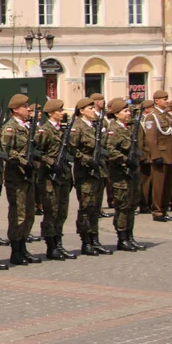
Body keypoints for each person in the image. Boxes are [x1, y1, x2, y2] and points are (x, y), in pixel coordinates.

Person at [2, 94, 41, 265]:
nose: (28, 109)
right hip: (16, 176)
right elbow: (5, 151)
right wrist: (24, 162)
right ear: (15, 109)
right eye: (25, 106)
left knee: (29, 214)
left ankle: (23, 246)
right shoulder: (9, 128)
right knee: (18, 214)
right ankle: (15, 250)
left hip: (28, 176)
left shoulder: (27, 127)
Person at [70, 97, 112, 255]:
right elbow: (72, 149)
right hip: (85, 172)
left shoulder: (96, 126)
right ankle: (85, 240)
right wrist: (87, 160)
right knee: (86, 207)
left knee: (96, 207)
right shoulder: (76, 127)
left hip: (99, 171)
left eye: (94, 109)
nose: (94, 111)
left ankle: (95, 238)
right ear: (81, 111)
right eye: (90, 109)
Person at [35, 99, 75, 261]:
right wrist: (51, 163)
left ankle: (58, 243)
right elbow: (36, 152)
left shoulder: (61, 130)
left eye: (62, 110)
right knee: (51, 212)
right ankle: (51, 246)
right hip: (50, 178)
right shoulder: (44, 131)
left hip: (63, 175)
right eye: (59, 110)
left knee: (62, 212)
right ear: (51, 113)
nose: (62, 113)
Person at [106, 98, 145, 251]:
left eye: (128, 111)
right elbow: (110, 150)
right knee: (123, 206)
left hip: (132, 173)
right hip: (120, 173)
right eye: (125, 111)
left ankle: (130, 235)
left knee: (132, 205)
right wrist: (125, 160)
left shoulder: (127, 127)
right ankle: (122, 238)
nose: (128, 114)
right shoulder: (114, 129)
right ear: (116, 114)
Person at [145, 91, 172, 222]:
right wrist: (155, 155)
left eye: (166, 99)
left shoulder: (167, 116)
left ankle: (164, 209)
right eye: (164, 99)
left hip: (169, 154)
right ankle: (157, 211)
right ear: (156, 101)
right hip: (160, 155)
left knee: (167, 185)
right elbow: (151, 139)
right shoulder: (152, 117)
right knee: (159, 185)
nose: (166, 101)